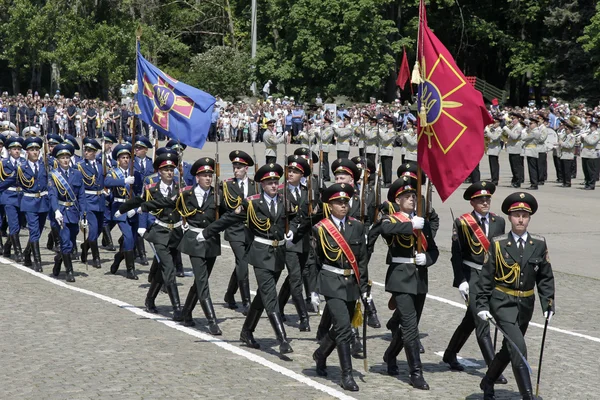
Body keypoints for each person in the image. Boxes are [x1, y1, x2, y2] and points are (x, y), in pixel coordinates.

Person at [197, 163, 301, 354]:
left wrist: (292, 231)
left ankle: (246, 331)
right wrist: (207, 232)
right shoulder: (252, 203)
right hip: (261, 253)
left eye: (275, 181)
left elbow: (296, 217)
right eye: (269, 182)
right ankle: (283, 339)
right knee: (270, 295)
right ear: (262, 184)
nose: (273, 185)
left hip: (278, 255)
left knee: (262, 296)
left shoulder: (284, 200)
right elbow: (229, 219)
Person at [477, 192, 555, 400]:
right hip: (503, 302)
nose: (520, 219)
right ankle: (527, 395)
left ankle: (488, 380)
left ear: (529, 218)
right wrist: (482, 305)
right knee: (519, 347)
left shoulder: (538, 243)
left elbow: (545, 277)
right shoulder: (498, 243)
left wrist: (548, 303)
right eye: (516, 215)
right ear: (510, 218)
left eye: (524, 215)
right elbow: (486, 277)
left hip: (525, 304)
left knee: (508, 347)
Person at [443, 182, 508, 384]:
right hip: (471, 275)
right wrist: (461, 280)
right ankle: (493, 368)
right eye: (480, 200)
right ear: (472, 202)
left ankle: (450, 353)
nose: (485, 202)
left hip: (491, 277)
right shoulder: (463, 222)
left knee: (470, 320)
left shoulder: (499, 221)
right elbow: (456, 254)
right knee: (482, 322)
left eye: (487, 199)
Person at [380, 176, 439, 390]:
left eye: (414, 195)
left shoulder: (421, 221)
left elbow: (433, 249)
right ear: (397, 200)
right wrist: (409, 225)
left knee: (408, 327)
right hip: (400, 278)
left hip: (419, 279)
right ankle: (416, 373)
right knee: (410, 326)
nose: (412, 199)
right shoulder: (392, 219)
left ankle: (390, 355)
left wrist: (429, 260)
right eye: (407, 196)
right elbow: (384, 231)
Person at [310, 183, 368, 392]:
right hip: (331, 282)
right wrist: (313, 290)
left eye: (345, 202)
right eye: (338, 203)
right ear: (330, 205)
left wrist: (364, 287)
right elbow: (313, 261)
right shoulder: (320, 228)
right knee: (344, 327)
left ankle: (321, 354)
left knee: (340, 327)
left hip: (351, 283)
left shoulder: (357, 226)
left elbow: (362, 259)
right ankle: (347, 375)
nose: (343, 206)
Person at [178, 157, 223, 334]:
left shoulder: (217, 195)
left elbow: (226, 216)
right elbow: (173, 207)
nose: (207, 178)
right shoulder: (186, 194)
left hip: (211, 241)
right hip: (194, 241)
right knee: (203, 281)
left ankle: (186, 312)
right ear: (197, 177)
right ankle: (211, 321)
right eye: (204, 175)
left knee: (201, 280)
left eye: (209, 175)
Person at [277, 155, 312, 331]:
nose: (291, 173)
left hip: (305, 241)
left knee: (293, 277)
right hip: (289, 241)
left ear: (302, 174)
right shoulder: (280, 191)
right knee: (296, 278)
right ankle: (303, 317)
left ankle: (279, 305)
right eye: (289, 170)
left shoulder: (307, 192)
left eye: (295, 171)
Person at [221, 150, 258, 314]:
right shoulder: (227, 185)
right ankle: (246, 302)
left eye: (239, 167)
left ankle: (229, 295)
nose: (236, 170)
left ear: (246, 169)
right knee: (242, 262)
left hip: (250, 230)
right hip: (234, 229)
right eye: (234, 167)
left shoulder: (255, 186)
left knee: (241, 264)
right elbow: (223, 208)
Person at [48, 143, 87, 282]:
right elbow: (52, 195)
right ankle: (69, 271)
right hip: (61, 213)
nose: (65, 160)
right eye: (62, 157)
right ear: (57, 160)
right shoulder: (53, 175)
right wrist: (56, 211)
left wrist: (83, 214)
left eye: (67, 157)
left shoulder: (76, 174)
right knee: (65, 242)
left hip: (74, 212)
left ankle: (58, 259)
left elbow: (81, 196)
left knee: (70, 243)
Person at [104, 143, 142, 279]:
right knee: (128, 237)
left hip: (133, 209)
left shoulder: (136, 174)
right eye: (123, 157)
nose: (126, 160)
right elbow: (107, 182)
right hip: (120, 209)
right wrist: (123, 181)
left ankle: (118, 257)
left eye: (127, 157)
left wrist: (137, 208)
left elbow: (140, 194)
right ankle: (130, 269)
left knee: (131, 239)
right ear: (118, 160)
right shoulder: (113, 173)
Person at [18, 137, 49, 272]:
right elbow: (10, 182)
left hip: (43, 202)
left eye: (37, 149)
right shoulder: (21, 168)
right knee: (34, 231)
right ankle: (37, 261)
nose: (35, 152)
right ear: (27, 152)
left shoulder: (44, 166)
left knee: (39, 231)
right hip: (29, 202)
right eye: (32, 150)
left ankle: (27, 253)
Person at [77, 138, 105, 268]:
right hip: (88, 201)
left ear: (95, 152)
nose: (86, 152)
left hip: (100, 201)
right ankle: (96, 257)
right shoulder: (80, 166)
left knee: (99, 229)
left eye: (89, 151)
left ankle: (85, 247)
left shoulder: (100, 165)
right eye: (86, 150)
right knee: (93, 230)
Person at [0, 137, 26, 261]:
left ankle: (7, 246)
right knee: (13, 224)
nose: (16, 151)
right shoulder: (3, 164)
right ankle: (18, 252)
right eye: (14, 149)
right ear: (9, 151)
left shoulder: (25, 163)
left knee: (20, 224)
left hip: (22, 197)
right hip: (9, 196)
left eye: (18, 149)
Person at [503, 114, 524, 188]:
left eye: (514, 119)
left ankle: (517, 181)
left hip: (516, 149)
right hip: (512, 149)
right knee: (513, 166)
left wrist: (507, 129)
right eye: (512, 119)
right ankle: (514, 180)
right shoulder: (514, 127)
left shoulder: (519, 127)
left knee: (516, 167)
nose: (512, 120)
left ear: (518, 119)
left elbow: (515, 137)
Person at [580, 120, 599, 190]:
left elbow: (591, 142)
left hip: (591, 153)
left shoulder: (597, 134)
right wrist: (582, 137)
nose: (591, 127)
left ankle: (591, 184)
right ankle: (587, 183)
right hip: (585, 152)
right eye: (590, 126)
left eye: (592, 126)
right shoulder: (589, 133)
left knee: (591, 170)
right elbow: (582, 142)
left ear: (595, 127)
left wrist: (585, 137)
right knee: (585, 170)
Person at [484, 118, 502, 185]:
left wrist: (487, 131)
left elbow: (495, 138)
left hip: (495, 148)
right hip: (491, 148)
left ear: (498, 123)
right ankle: (493, 178)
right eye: (493, 122)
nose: (494, 124)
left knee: (494, 165)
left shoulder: (499, 130)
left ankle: (495, 179)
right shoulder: (492, 129)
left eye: (495, 122)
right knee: (491, 165)